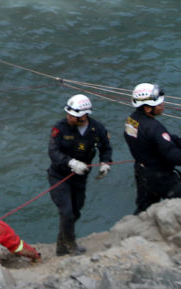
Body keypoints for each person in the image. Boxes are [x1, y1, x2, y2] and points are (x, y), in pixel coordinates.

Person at [124, 82, 181, 214]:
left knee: (144, 208)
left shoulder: (132, 120)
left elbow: (153, 138)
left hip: (142, 172)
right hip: (161, 177)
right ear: (147, 108)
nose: (162, 104)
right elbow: (177, 157)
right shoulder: (155, 127)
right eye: (158, 103)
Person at [47, 94, 113, 255]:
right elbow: (53, 151)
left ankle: (61, 245)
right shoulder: (60, 128)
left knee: (75, 212)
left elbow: (106, 147)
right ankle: (71, 245)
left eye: (73, 115)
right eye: (68, 114)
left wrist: (105, 163)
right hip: (59, 176)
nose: (69, 117)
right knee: (66, 212)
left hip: (80, 178)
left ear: (84, 115)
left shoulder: (97, 129)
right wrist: (71, 162)